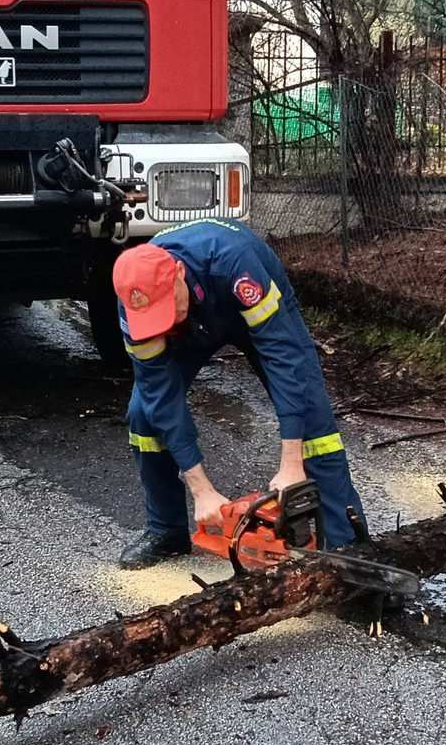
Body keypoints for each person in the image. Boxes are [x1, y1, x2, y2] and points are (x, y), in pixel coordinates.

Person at [114, 218, 366, 568]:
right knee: (144, 415)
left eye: (167, 306)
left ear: (179, 273)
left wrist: (292, 465)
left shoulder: (234, 262)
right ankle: (166, 530)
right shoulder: (135, 304)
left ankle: (349, 548)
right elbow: (159, 394)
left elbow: (283, 355)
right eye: (155, 315)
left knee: (311, 414)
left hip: (252, 308)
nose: (166, 320)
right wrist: (202, 490)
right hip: (194, 325)